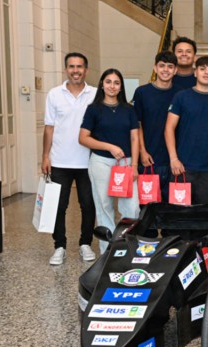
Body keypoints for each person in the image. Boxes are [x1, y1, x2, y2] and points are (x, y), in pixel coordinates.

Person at [42, 52, 97, 266]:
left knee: (88, 205)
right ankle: (59, 246)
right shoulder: (54, 94)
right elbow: (49, 128)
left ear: (86, 70)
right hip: (59, 161)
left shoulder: (95, 94)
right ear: (66, 69)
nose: (76, 70)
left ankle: (85, 244)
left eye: (80, 66)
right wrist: (45, 156)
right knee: (59, 206)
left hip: (88, 161)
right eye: (72, 66)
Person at [79, 68, 140, 253]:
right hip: (101, 163)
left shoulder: (129, 109)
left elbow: (135, 138)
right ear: (102, 85)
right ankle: (108, 252)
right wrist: (109, 147)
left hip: (126, 164)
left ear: (121, 87)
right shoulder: (93, 109)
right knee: (104, 207)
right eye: (108, 82)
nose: (112, 86)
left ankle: (127, 247)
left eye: (116, 82)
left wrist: (135, 166)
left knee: (132, 208)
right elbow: (83, 138)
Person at [165, 56, 208, 204]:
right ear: (195, 72)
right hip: (182, 167)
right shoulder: (181, 97)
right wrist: (174, 159)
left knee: (205, 217)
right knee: (180, 217)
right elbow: (169, 128)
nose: (206, 72)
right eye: (202, 69)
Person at [133, 51, 179, 201]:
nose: (166, 70)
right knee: (147, 209)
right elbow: (136, 124)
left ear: (175, 70)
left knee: (172, 211)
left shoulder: (181, 94)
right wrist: (142, 151)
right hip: (149, 159)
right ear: (155, 68)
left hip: (174, 162)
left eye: (170, 66)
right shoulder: (142, 92)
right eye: (162, 66)